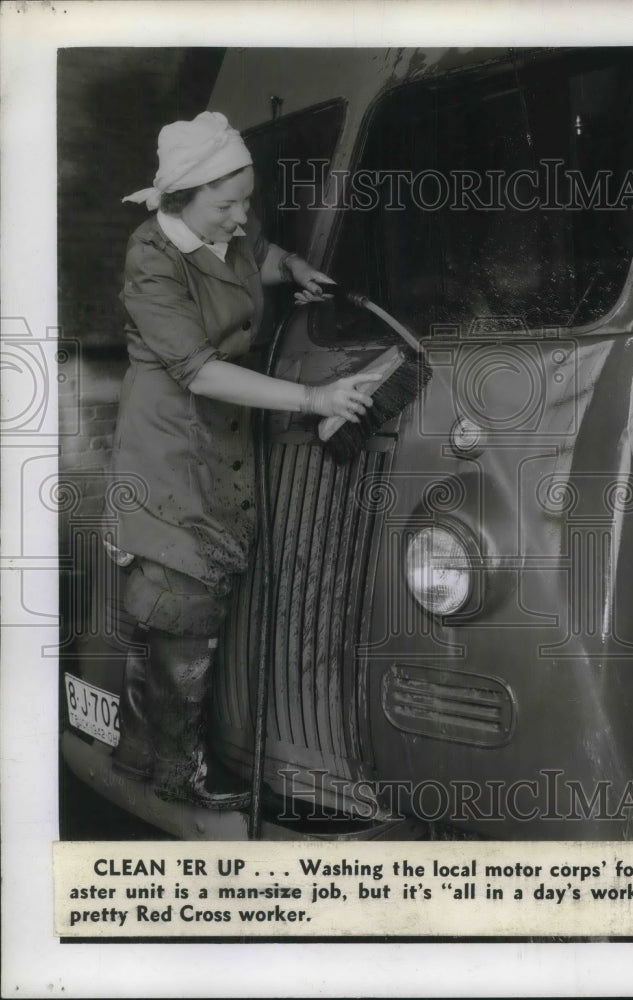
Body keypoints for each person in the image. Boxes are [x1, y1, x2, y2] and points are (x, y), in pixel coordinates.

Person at [107, 111, 378, 810]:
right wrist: (315, 396)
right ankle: (179, 771)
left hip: (222, 434)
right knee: (178, 591)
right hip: (171, 438)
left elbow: (256, 254)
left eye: (246, 200)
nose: (241, 215)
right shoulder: (152, 259)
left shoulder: (228, 231)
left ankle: (145, 754)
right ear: (182, 198)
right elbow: (198, 372)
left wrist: (293, 266)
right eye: (226, 204)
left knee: (195, 589)